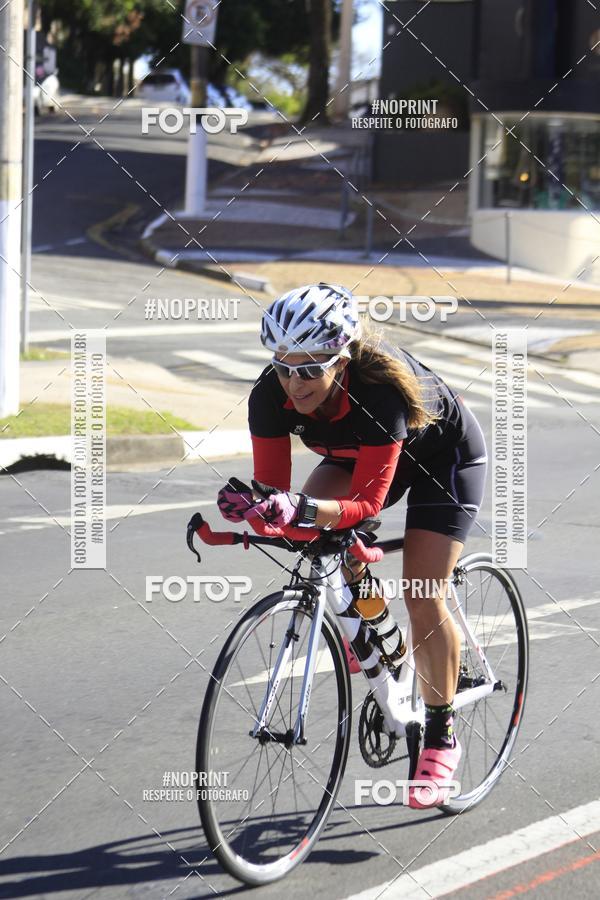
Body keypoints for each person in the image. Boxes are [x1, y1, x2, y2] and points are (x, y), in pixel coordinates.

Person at [217, 283, 488, 809]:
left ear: (341, 361)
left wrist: (298, 509)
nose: (294, 384)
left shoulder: (380, 392)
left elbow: (365, 505)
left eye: (310, 369)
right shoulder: (268, 396)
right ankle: (379, 638)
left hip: (442, 463)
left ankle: (440, 733)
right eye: (282, 366)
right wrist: (258, 508)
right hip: (354, 457)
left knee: (423, 591)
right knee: (308, 537)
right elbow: (277, 497)